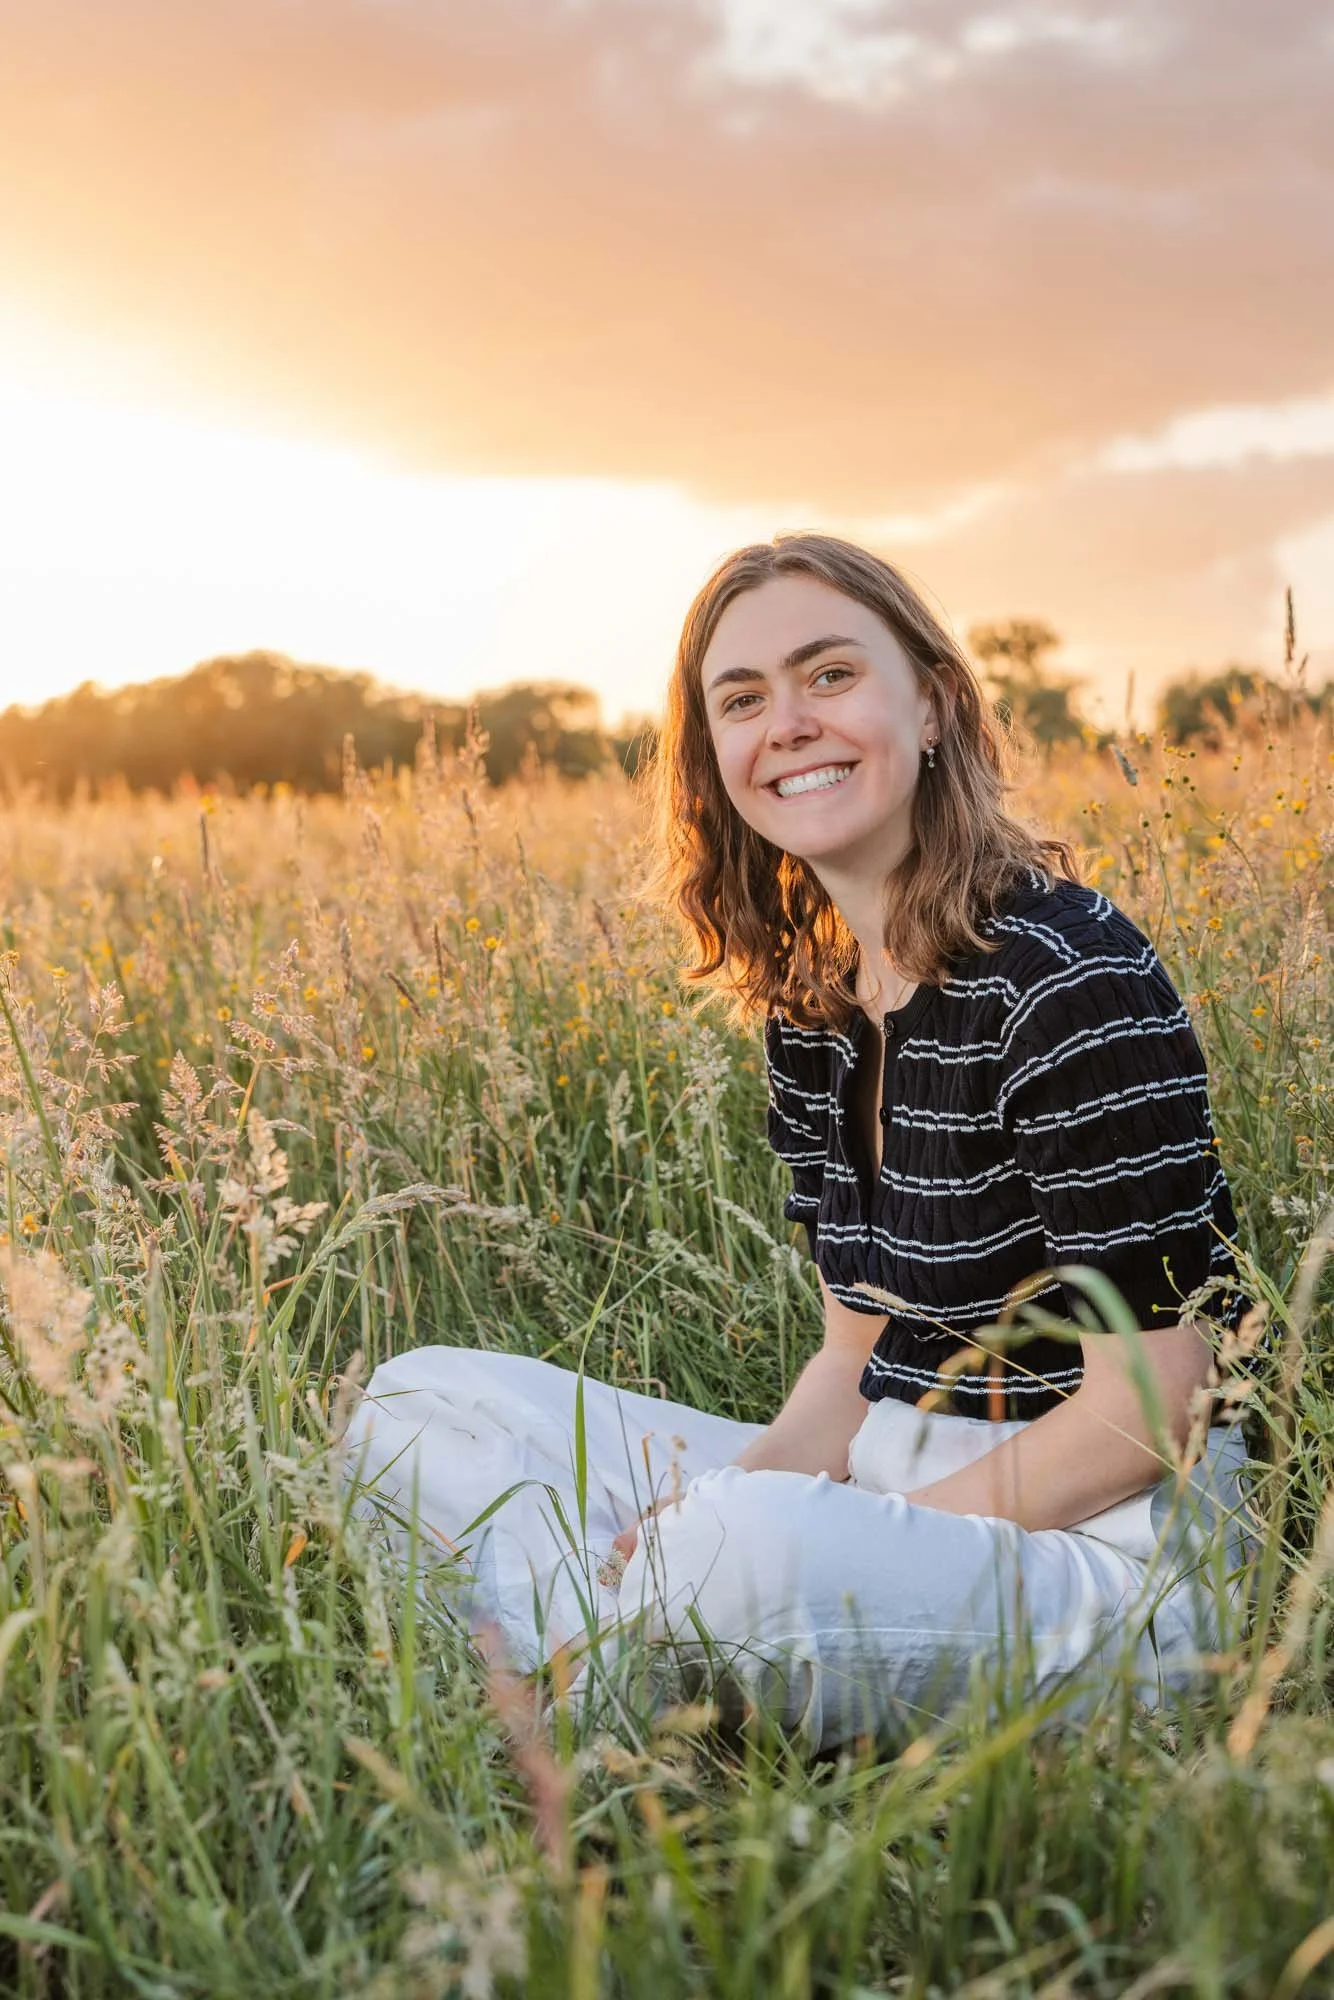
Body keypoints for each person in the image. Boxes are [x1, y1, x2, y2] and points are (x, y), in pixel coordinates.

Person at [341, 533, 1259, 1754]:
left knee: (735, 1552)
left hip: (1110, 1554)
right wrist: (739, 1494)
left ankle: (592, 1673)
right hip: (887, 1483)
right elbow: (852, 1356)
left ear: (930, 704)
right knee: (420, 1405)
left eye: (828, 674)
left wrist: (829, 1530)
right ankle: (626, 1651)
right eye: (742, 698)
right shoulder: (814, 1000)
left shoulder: (1063, 974)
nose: (787, 722)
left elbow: (1155, 1403)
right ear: (713, 758)